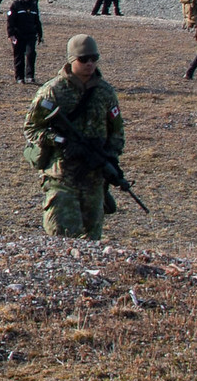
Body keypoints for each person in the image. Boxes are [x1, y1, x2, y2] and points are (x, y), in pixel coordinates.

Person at [23, 34, 126, 241]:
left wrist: (109, 157)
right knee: (63, 239)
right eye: (83, 59)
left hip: (94, 178)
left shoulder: (105, 92)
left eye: (94, 58)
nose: (90, 64)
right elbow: (32, 129)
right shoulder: (52, 91)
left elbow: (117, 132)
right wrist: (60, 141)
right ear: (71, 60)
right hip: (62, 177)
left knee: (92, 241)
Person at [6, 0, 44, 83]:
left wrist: (40, 34)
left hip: (31, 35)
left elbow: (37, 21)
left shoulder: (33, 5)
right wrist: (11, 34)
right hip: (18, 35)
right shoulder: (16, 5)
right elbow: (10, 21)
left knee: (31, 54)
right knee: (19, 55)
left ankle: (30, 76)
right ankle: (19, 77)